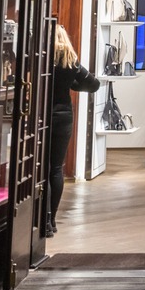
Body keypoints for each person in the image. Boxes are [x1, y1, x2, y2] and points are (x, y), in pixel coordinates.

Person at [47, 26, 101, 236]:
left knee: (43, 169)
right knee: (56, 169)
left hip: (43, 116)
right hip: (64, 117)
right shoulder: (70, 61)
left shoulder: (43, 58)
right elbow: (94, 84)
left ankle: (42, 220)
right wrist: (73, 86)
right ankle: (52, 220)